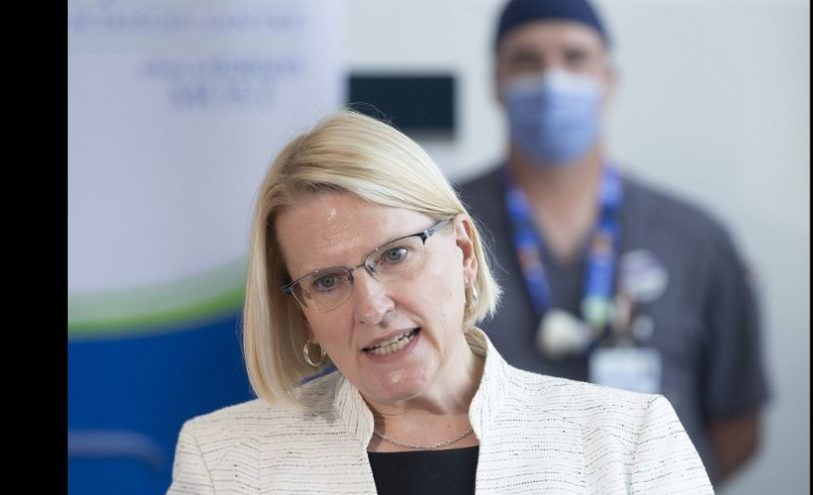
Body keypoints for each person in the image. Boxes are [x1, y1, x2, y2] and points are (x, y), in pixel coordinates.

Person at [167, 110, 713, 494]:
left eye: (396, 255)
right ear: (301, 313)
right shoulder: (226, 463)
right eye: (328, 282)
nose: (373, 306)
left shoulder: (626, 441)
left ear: (464, 251)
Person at [455, 0, 771, 484]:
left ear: (609, 79)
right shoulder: (439, 232)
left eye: (575, 57)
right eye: (526, 60)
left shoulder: (696, 240)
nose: (552, 80)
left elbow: (736, 425)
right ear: (496, 82)